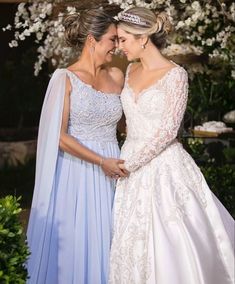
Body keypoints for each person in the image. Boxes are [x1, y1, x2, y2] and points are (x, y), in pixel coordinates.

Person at [109, 7, 234, 284]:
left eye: (123, 39)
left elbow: (167, 131)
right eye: (117, 40)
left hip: (163, 167)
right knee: (131, 238)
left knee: (170, 239)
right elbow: (127, 120)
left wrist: (130, 164)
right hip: (128, 166)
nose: (119, 46)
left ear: (143, 38)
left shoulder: (175, 75)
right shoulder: (129, 71)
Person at [26, 9, 127, 284]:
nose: (116, 47)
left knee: (112, 238)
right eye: (112, 39)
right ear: (92, 41)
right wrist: (100, 161)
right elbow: (58, 136)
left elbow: (125, 122)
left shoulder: (118, 75)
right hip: (77, 171)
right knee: (79, 238)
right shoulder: (64, 78)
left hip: (114, 166)